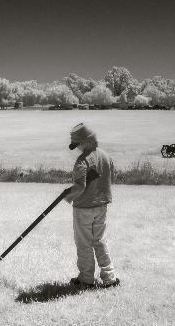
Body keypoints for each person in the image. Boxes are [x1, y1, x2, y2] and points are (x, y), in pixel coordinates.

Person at [63, 123, 120, 289]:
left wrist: (67, 196)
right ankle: (109, 278)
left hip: (83, 208)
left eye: (78, 145)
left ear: (86, 142)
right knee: (100, 241)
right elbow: (111, 179)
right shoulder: (105, 156)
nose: (77, 149)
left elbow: (79, 186)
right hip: (102, 206)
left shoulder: (83, 160)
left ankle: (86, 279)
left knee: (84, 244)